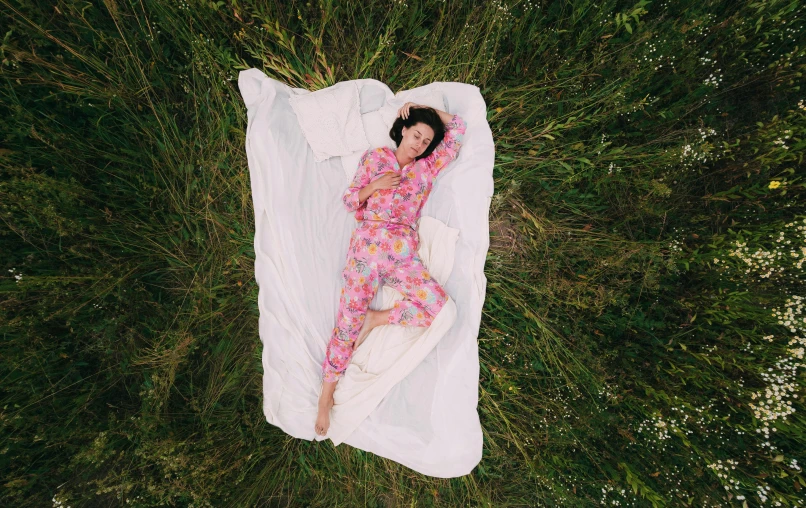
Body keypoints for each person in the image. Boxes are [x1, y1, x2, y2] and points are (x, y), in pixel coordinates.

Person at [314, 102, 467, 437]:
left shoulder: (426, 169)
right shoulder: (375, 158)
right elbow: (349, 200)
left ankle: (377, 319)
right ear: (403, 130)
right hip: (366, 250)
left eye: (426, 141)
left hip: (402, 255)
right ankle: (325, 396)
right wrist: (374, 187)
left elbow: (457, 130)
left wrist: (428, 109)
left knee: (440, 311)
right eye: (416, 135)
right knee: (346, 324)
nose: (419, 144)